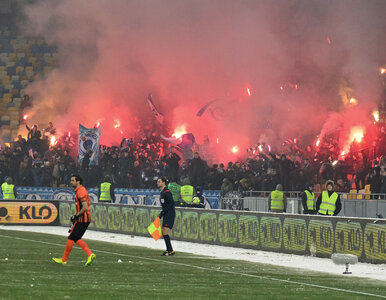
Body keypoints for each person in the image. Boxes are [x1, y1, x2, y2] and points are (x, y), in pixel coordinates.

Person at [52, 174, 96, 266]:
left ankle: (65, 259)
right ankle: (89, 254)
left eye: (72, 180)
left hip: (82, 219)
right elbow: (87, 203)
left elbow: (85, 207)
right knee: (75, 238)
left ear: (78, 181)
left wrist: (76, 216)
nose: (71, 182)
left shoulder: (80, 192)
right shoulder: (81, 190)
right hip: (83, 219)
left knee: (72, 237)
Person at [157, 177, 175, 256]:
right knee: (163, 232)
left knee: (164, 232)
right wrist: (162, 213)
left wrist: (164, 211)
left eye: (159, 181)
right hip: (166, 213)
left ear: (163, 182)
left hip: (169, 214)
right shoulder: (162, 192)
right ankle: (169, 250)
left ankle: (170, 250)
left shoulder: (167, 192)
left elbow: (171, 203)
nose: (157, 183)